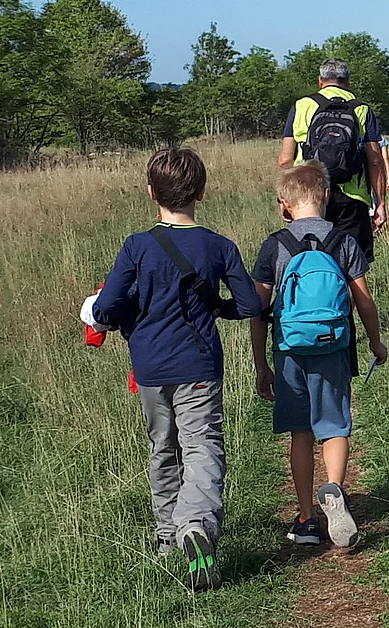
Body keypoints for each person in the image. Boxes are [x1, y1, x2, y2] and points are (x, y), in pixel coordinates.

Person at [89, 148, 265, 591]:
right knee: (202, 446)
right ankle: (197, 524)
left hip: (149, 365)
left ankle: (168, 536)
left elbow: (107, 307)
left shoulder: (137, 245)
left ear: (151, 194)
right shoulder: (219, 246)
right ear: (201, 192)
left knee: (163, 446)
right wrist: (217, 307)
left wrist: (125, 312)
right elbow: (250, 305)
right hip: (199, 363)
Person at [249, 163, 388, 550]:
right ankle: (334, 490)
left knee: (301, 432)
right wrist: (375, 342)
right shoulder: (343, 241)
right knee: (335, 425)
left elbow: (259, 311)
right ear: (326, 196)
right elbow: (363, 300)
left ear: (284, 206)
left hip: (289, 350)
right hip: (335, 346)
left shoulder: (274, 245)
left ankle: (308, 518)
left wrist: (262, 365)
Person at [278, 58, 389, 252]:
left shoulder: (301, 106)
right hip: (352, 198)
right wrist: (380, 203)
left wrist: (283, 199)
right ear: (347, 82)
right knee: (352, 263)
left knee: (310, 259)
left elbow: (285, 160)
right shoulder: (362, 109)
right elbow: (374, 161)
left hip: (308, 195)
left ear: (320, 80)